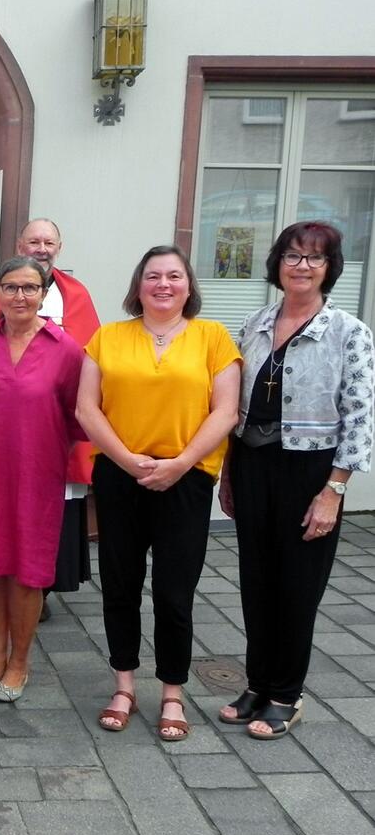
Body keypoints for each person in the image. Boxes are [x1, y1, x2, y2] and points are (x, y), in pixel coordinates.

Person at [76, 246, 241, 741]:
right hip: (119, 475)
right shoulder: (108, 337)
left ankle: (172, 691)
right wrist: (127, 461)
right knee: (120, 586)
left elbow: (226, 411)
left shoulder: (212, 336)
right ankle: (123, 684)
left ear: (189, 286)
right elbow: (87, 409)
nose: (163, 284)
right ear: (139, 285)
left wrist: (181, 464)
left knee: (174, 593)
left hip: (185, 479)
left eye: (174, 276)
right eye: (153, 276)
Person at [218, 221, 374, 739]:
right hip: (253, 463)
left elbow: (360, 417)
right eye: (292, 255)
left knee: (297, 585)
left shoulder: (349, 332)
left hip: (310, 470)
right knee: (257, 583)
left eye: (314, 257)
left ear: (330, 268)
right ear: (277, 264)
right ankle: (258, 684)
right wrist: (227, 473)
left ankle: (287, 693)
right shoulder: (255, 322)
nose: (301, 265)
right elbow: (235, 404)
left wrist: (334, 491)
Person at [0, 219, 100, 619]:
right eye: (33, 241)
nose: (41, 247)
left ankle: (39, 594)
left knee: (41, 527)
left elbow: (86, 373)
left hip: (46, 443)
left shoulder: (78, 297)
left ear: (59, 247)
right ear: (20, 244)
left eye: (48, 241)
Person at [0, 257, 85, 703]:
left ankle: (20, 662)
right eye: (11, 287)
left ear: (44, 293)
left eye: (30, 288)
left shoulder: (65, 349)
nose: (20, 296)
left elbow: (79, 416)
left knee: (28, 571)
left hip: (38, 473)